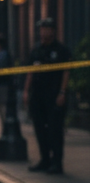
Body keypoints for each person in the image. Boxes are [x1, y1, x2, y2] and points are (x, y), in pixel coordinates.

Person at [24, 17, 71, 174]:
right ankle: (45, 159)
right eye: (42, 29)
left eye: (47, 29)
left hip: (54, 95)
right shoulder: (36, 49)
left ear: (53, 31)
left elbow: (66, 72)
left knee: (55, 130)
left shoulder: (61, 50)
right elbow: (30, 71)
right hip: (38, 96)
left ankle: (57, 163)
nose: (44, 32)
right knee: (40, 129)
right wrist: (26, 91)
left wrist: (62, 92)